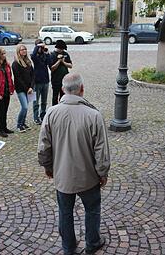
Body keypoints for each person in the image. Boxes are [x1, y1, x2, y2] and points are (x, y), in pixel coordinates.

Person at [37, 73, 110, 255]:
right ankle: (92, 242)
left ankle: (69, 248)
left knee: (65, 212)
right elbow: (101, 151)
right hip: (89, 177)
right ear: (82, 89)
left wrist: (48, 167)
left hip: (62, 175)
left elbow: (43, 147)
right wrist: (102, 172)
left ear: (62, 89)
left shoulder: (51, 113)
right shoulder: (94, 115)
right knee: (92, 210)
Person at [0, 47, 15, 137]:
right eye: (2, 54)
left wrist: (11, 88)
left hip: (6, 91)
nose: (4, 55)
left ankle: (4, 127)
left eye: (5, 53)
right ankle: (1, 129)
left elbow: (9, 78)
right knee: (1, 110)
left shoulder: (7, 65)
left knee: (5, 110)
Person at [12, 44, 34, 132]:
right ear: (18, 51)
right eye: (22, 50)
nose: (24, 51)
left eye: (25, 49)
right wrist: (27, 88)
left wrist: (31, 87)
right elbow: (18, 78)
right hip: (21, 89)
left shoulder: (28, 62)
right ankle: (19, 124)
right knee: (24, 106)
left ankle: (23, 123)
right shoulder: (15, 64)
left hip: (30, 89)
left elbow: (33, 75)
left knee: (27, 107)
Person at [31, 39, 50, 125]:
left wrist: (47, 53)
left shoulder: (44, 55)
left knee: (44, 101)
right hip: (37, 82)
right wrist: (38, 46)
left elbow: (50, 63)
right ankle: (35, 117)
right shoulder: (34, 56)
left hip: (45, 81)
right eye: (40, 46)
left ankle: (43, 115)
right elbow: (33, 56)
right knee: (36, 101)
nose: (41, 48)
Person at [49, 40, 72, 106]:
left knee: (64, 97)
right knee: (55, 97)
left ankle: (63, 108)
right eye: (61, 49)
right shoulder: (52, 55)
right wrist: (59, 61)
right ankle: (54, 110)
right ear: (57, 48)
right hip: (56, 80)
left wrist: (64, 62)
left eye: (63, 49)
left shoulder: (65, 54)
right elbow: (52, 68)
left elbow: (70, 66)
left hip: (65, 79)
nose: (62, 50)